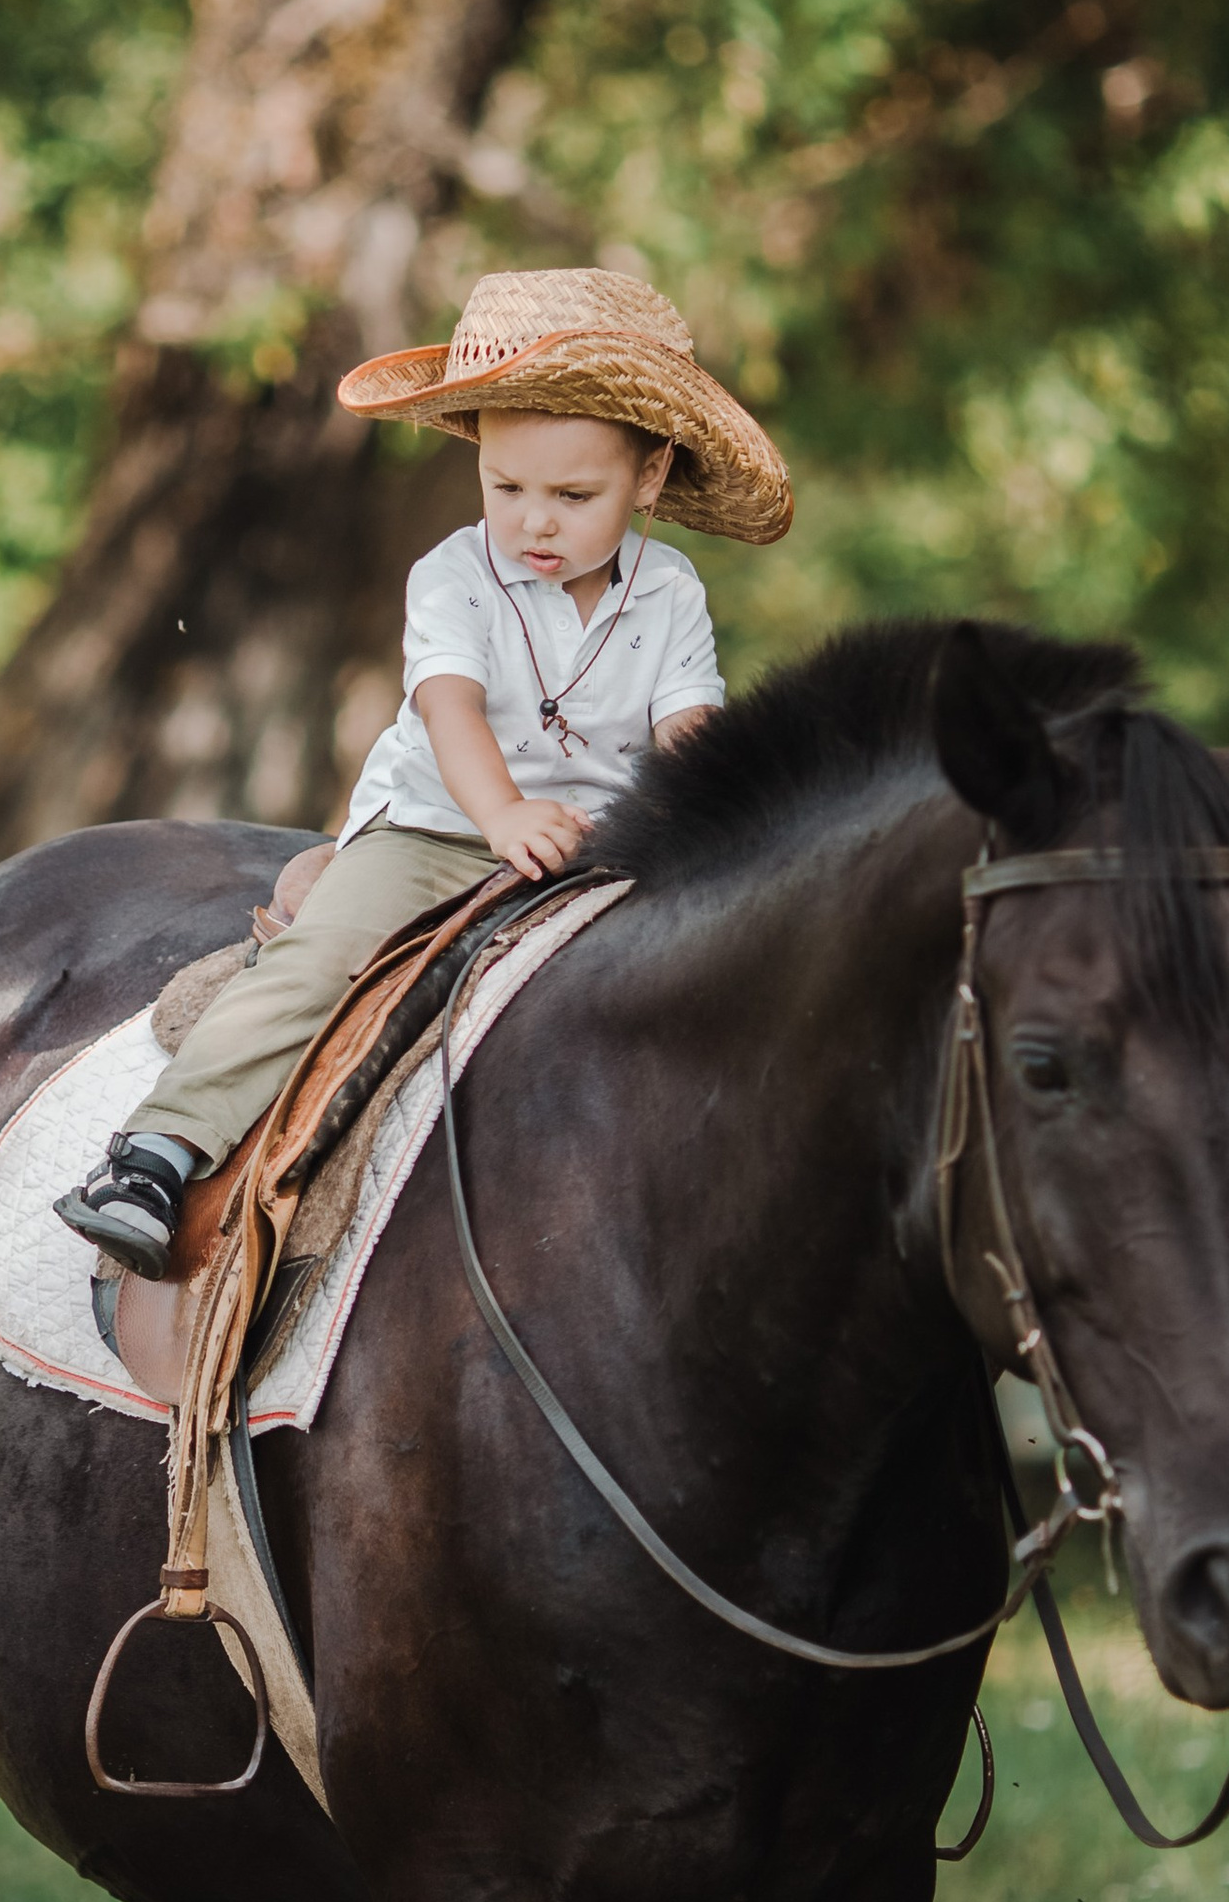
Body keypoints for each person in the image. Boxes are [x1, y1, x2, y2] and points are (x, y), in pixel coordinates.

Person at [56, 264, 792, 1278]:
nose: (534, 522)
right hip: (440, 826)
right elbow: (449, 709)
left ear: (651, 478)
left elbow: (688, 727)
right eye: (506, 488)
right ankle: (155, 1152)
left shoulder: (668, 591)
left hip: (611, 840)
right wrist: (501, 816)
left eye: (573, 497)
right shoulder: (451, 576)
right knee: (326, 959)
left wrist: (705, 831)